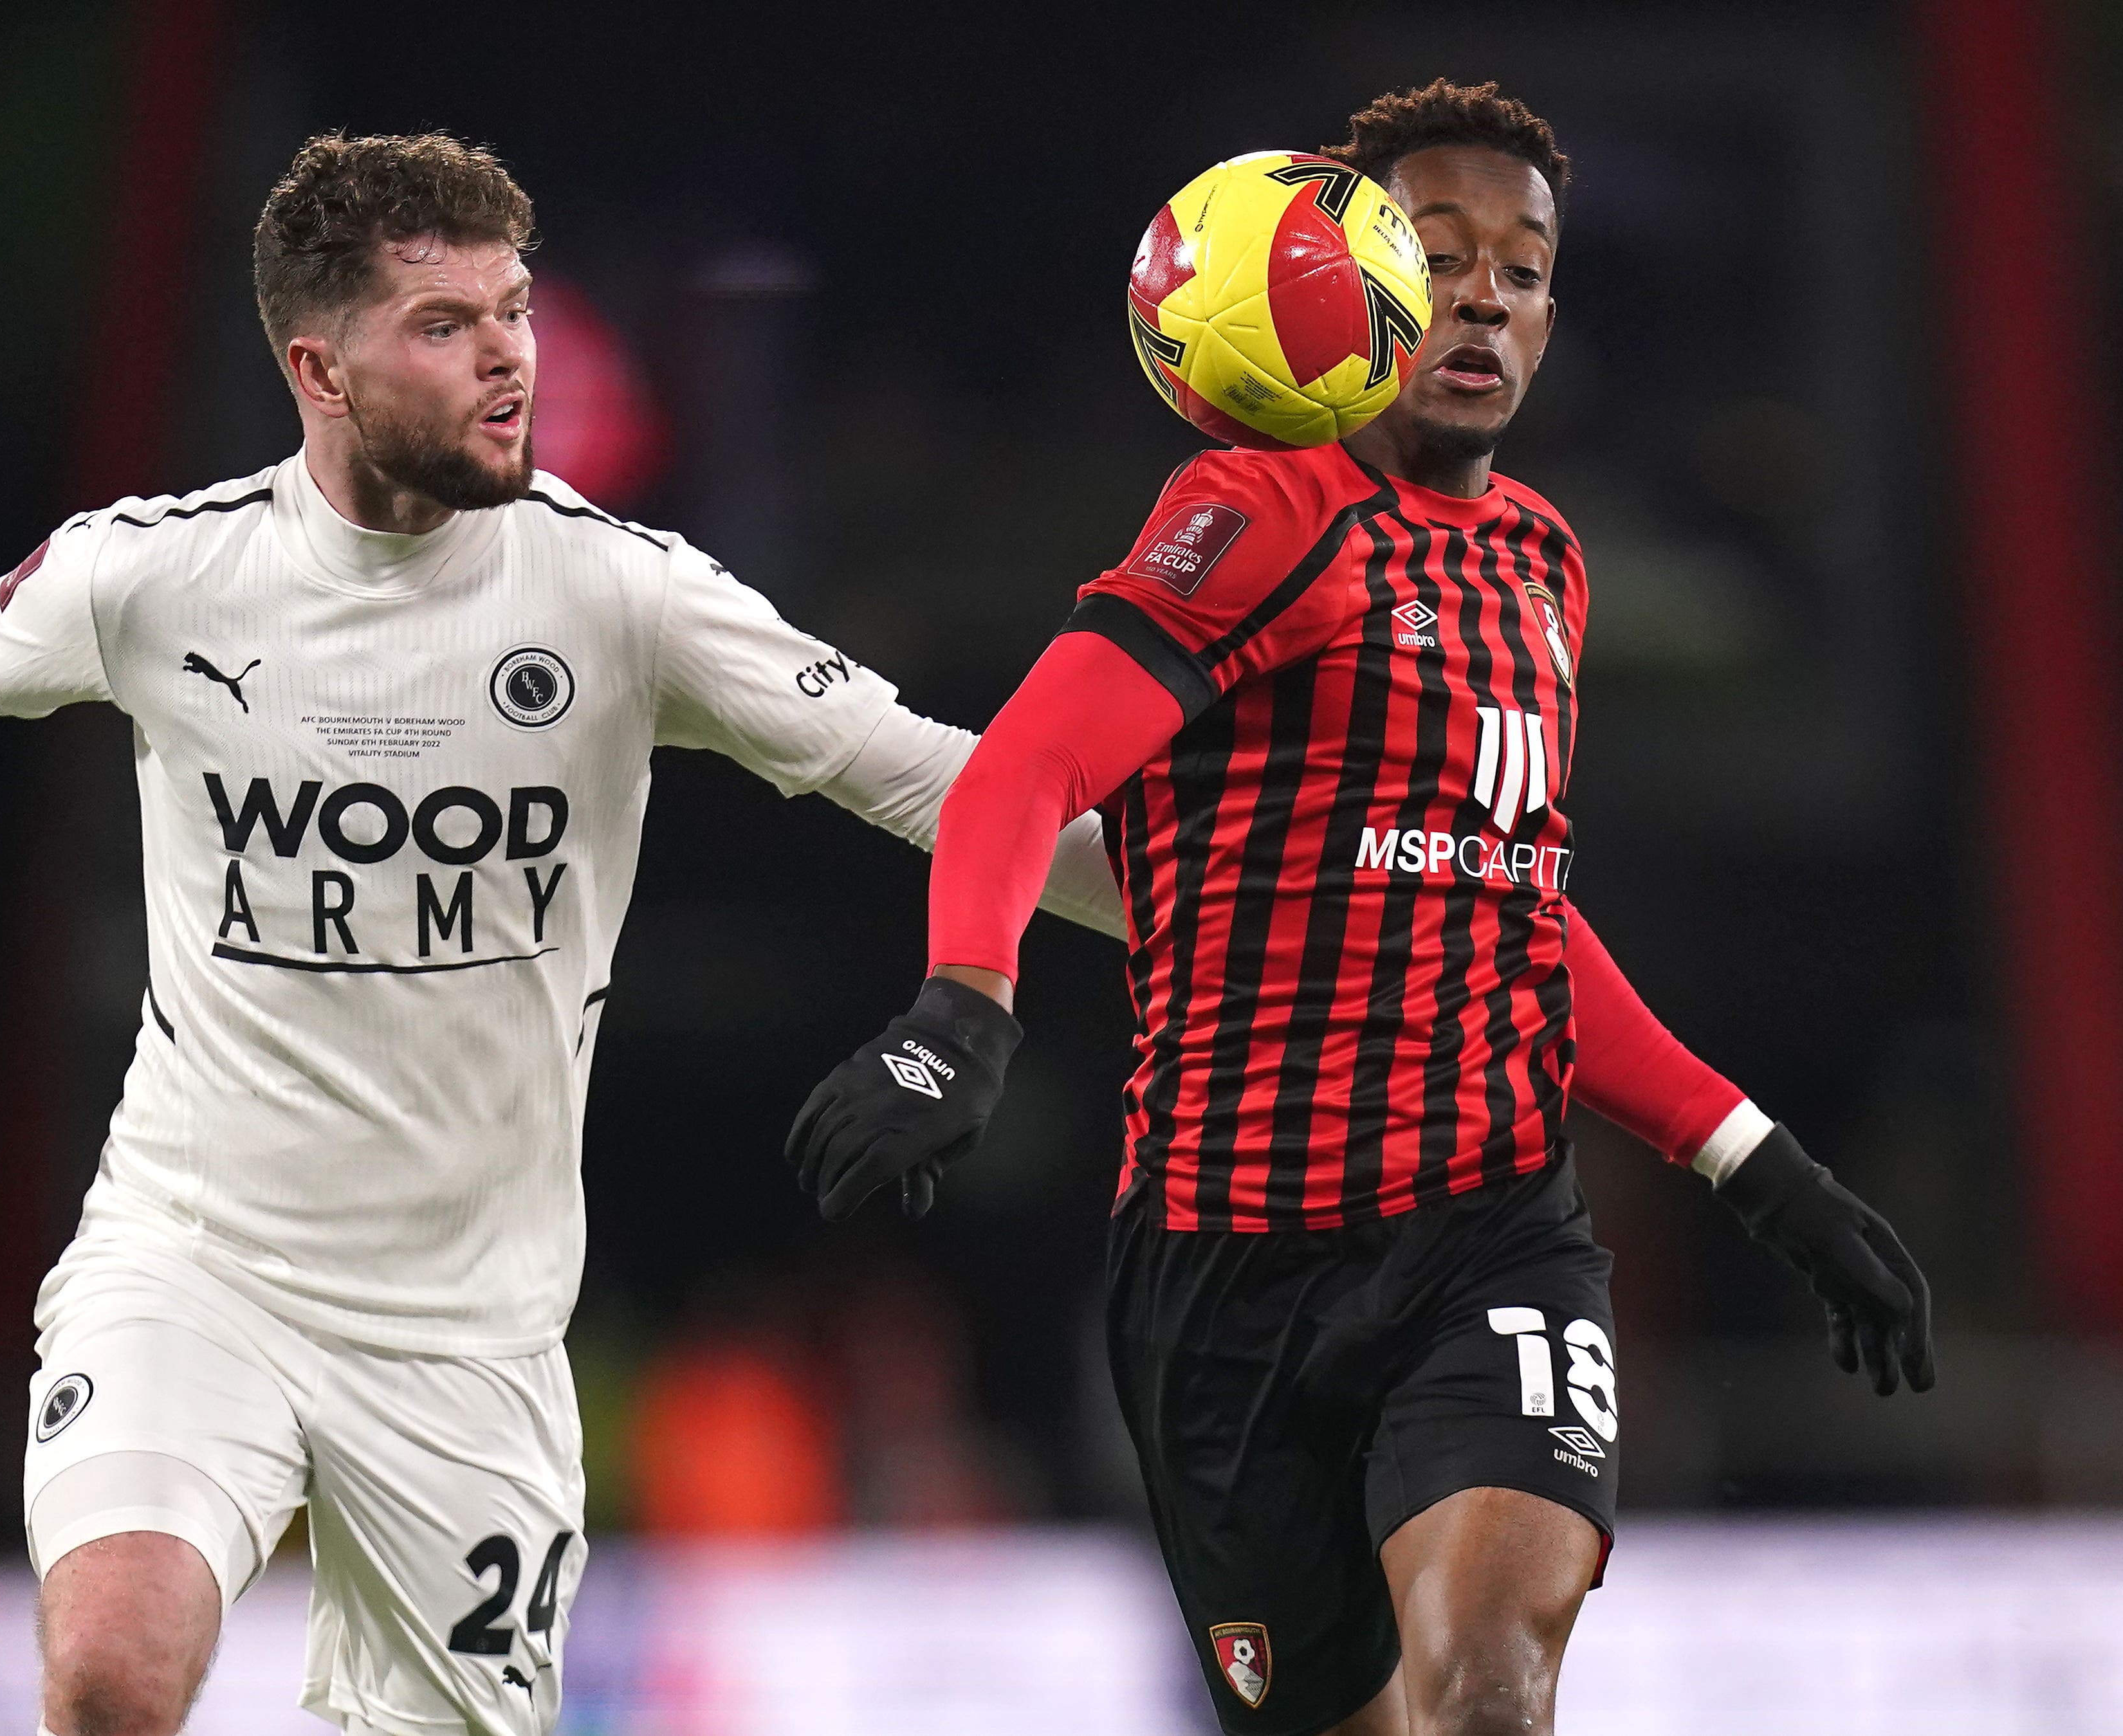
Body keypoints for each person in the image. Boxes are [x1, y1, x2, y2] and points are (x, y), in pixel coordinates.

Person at [0, 132, 1124, 1736]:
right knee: (111, 1669)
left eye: (513, 306)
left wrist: (1227, 906)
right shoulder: (164, 577)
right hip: (196, 1263)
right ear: (321, 368)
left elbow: (936, 776)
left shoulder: (620, 597)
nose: (508, 352)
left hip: (470, 1336)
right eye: (444, 324)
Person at [785, 80, 1935, 1736]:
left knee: (1485, 1690)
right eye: (1439, 254)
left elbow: (1509, 900)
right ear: (1348, 285)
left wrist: (1760, 1169)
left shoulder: (1542, 557)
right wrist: (961, 1010)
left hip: (1488, 1232)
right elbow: (1021, 772)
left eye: (1524, 269)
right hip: (1221, 1261)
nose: (1485, 297)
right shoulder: (1257, 512)